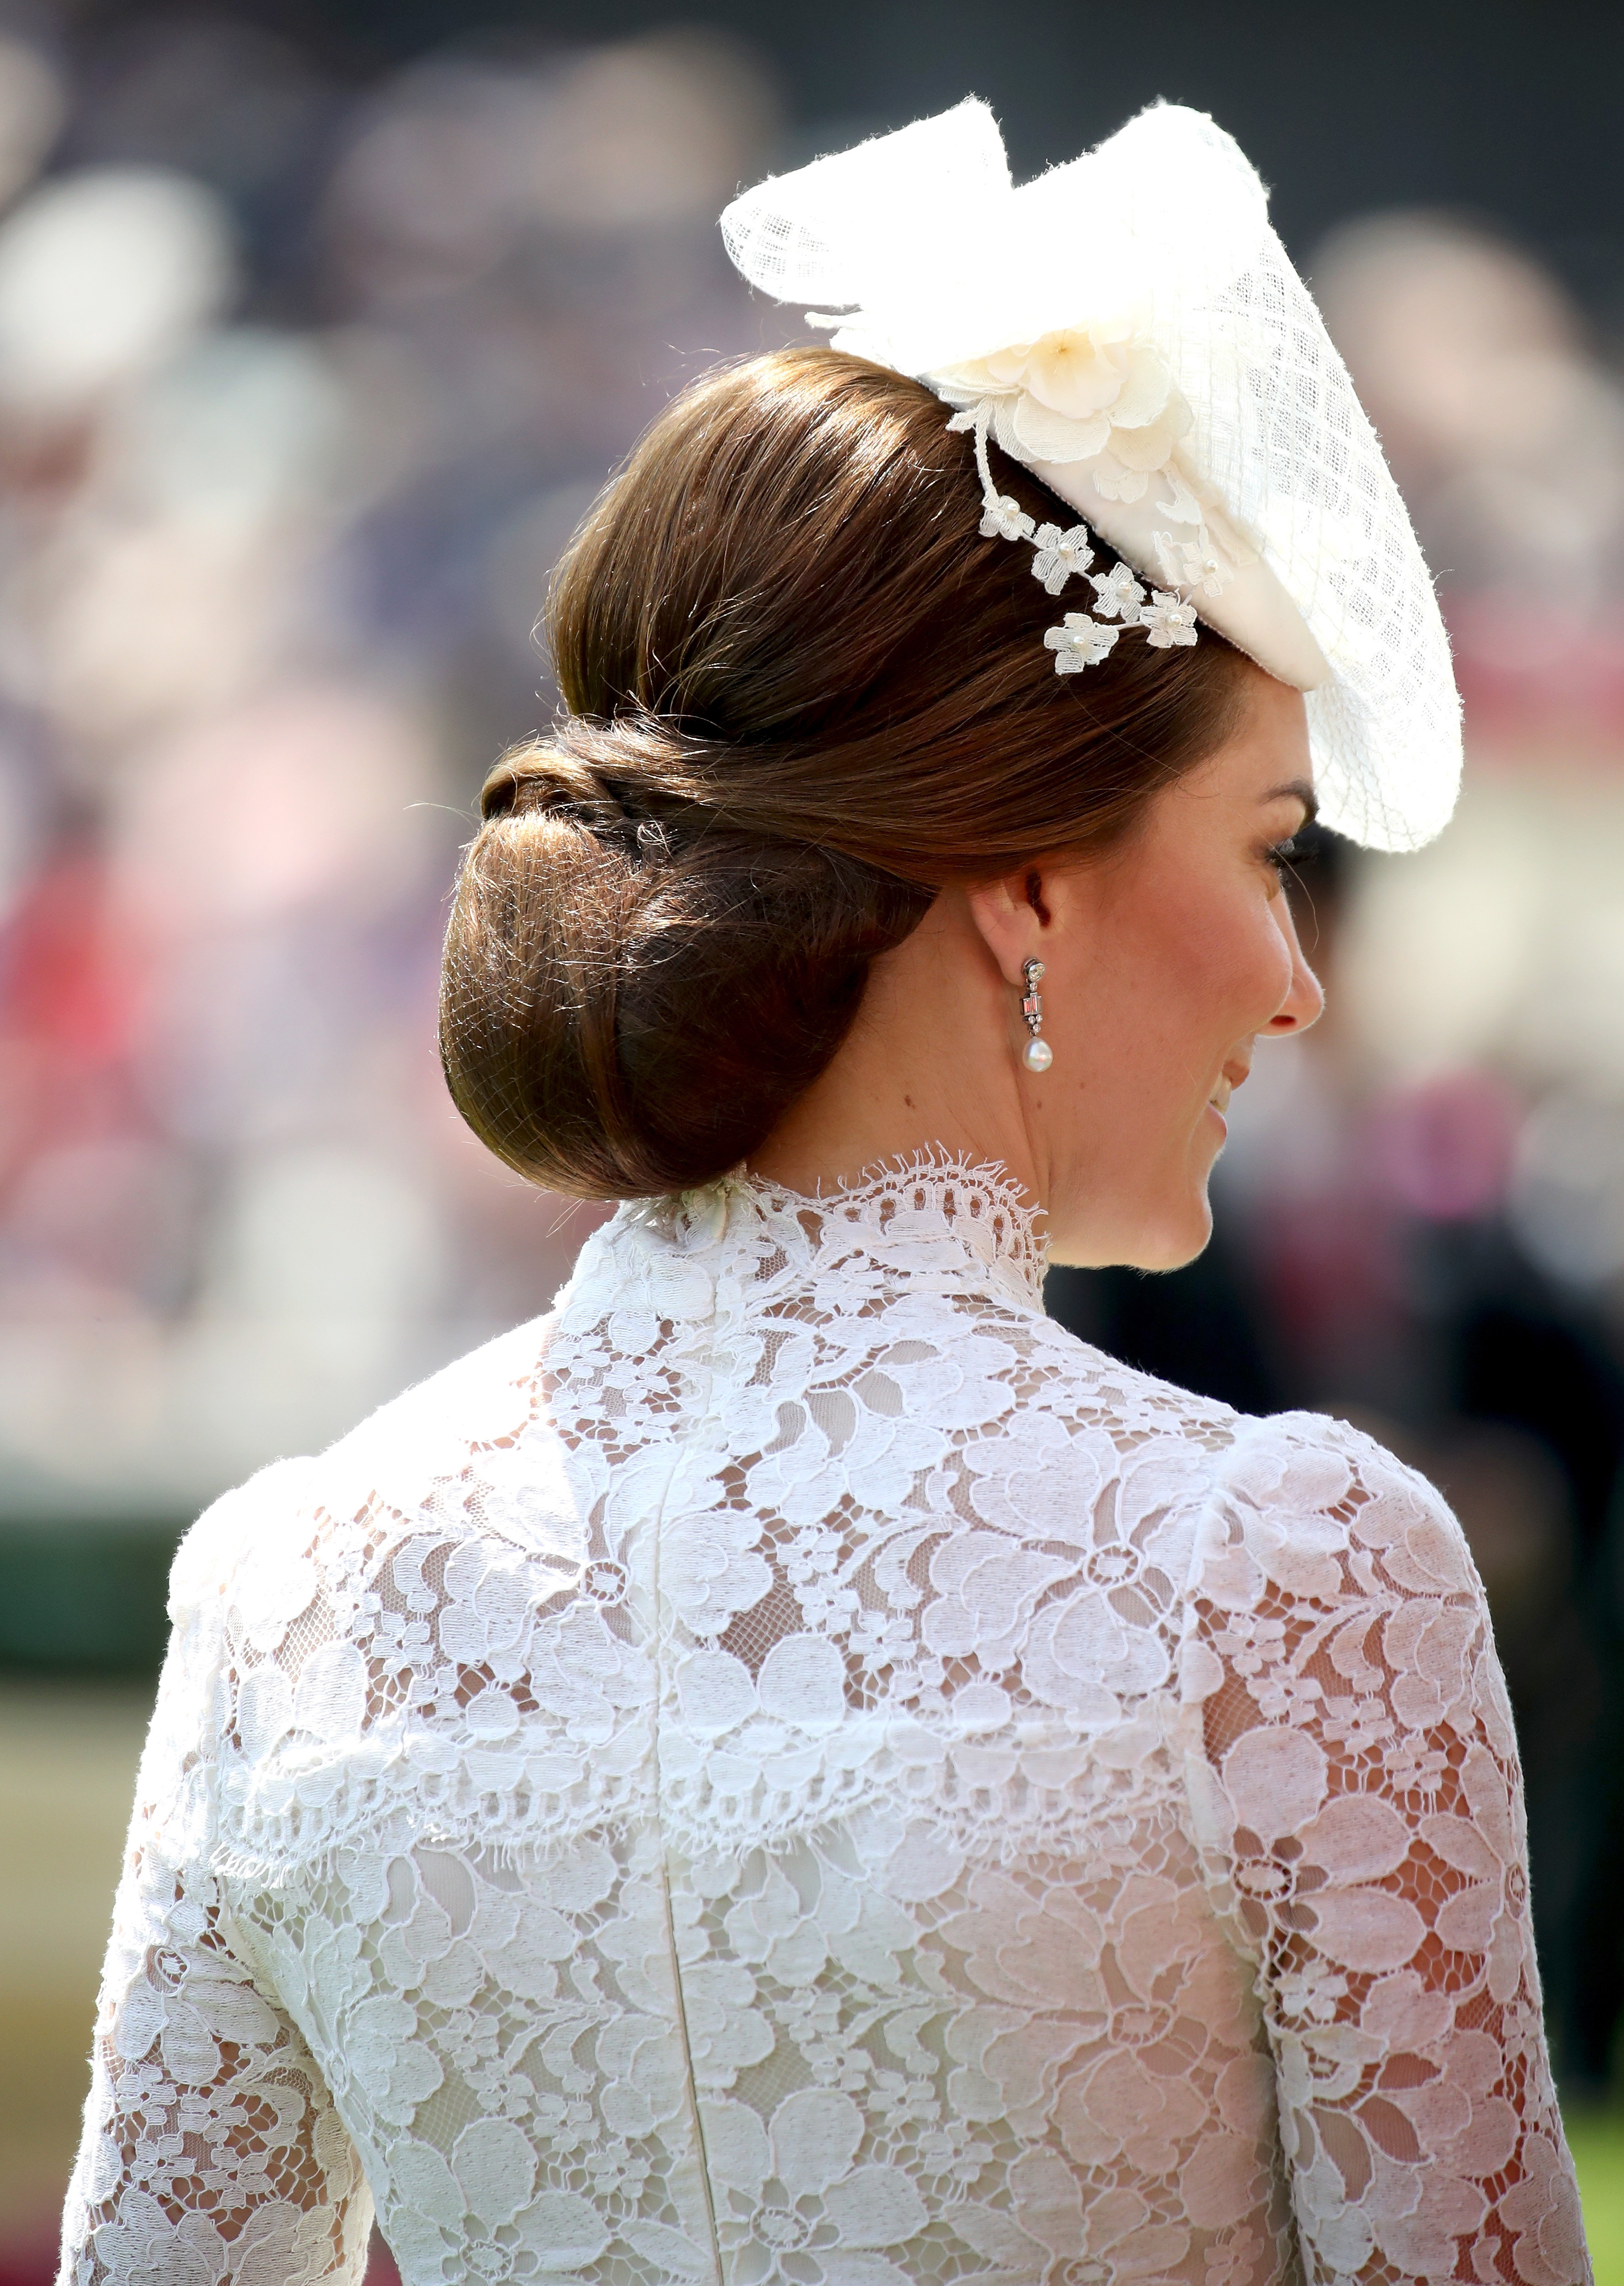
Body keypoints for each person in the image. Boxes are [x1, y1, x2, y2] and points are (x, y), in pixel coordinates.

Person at [61, 102, 1589, 2286]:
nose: (1293, 973)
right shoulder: (1282, 1573)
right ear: (1031, 885)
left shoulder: (288, 1585)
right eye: (1264, 850)